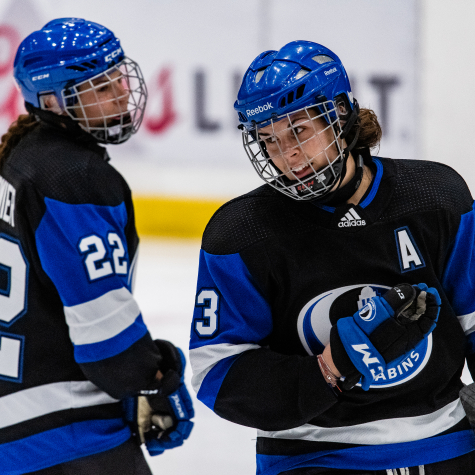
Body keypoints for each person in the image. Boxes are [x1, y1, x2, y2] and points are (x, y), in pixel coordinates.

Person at [189, 40, 475, 474]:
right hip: (312, 455)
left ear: (339, 114)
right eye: (268, 140)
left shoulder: (437, 198)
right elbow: (217, 376)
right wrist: (331, 366)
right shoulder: (241, 234)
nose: (286, 156)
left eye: (298, 131)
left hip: (441, 447)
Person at [0, 18, 193, 475]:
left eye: (118, 78)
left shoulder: (18, 162)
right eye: (101, 87)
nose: (122, 94)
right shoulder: (75, 180)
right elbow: (105, 340)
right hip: (65, 436)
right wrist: (151, 378)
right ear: (53, 101)